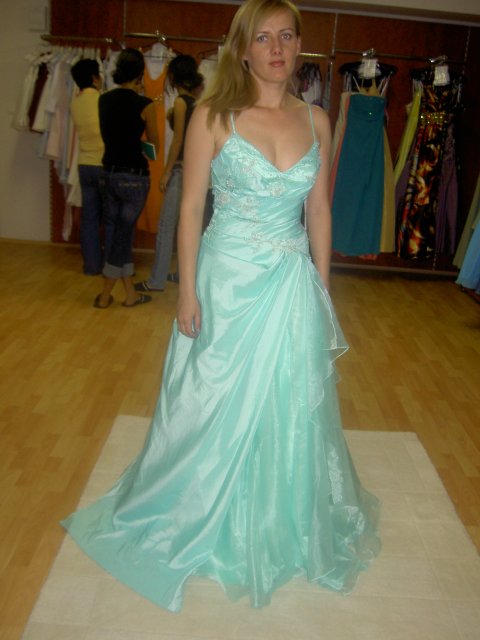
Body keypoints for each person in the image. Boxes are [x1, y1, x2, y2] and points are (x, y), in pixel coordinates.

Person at [62, 0, 380, 611]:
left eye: (286, 36)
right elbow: (190, 208)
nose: (277, 49)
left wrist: (322, 290)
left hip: (289, 285)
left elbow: (318, 210)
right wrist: (187, 289)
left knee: (289, 400)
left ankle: (279, 514)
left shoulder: (317, 120)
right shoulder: (213, 116)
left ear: (299, 45)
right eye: (263, 38)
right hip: (228, 282)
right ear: (242, 49)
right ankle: (192, 508)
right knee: (211, 400)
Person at [93, 48, 159, 308]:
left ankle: (129, 294)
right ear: (140, 74)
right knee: (122, 236)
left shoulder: (103, 100)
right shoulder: (145, 105)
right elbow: (153, 145)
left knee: (119, 235)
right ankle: (105, 295)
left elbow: (109, 135)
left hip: (108, 174)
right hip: (134, 178)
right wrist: (138, 143)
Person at [135, 55, 203, 293]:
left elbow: (178, 141)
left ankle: (156, 280)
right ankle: (185, 275)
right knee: (192, 228)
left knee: (166, 226)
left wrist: (165, 173)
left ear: (173, 76)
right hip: (198, 173)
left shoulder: (183, 103)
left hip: (182, 170)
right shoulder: (199, 102)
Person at [70, 58, 106, 275]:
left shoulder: (75, 103)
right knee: (110, 218)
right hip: (104, 163)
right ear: (94, 77)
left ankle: (91, 266)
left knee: (89, 218)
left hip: (84, 164)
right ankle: (111, 267)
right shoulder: (102, 100)